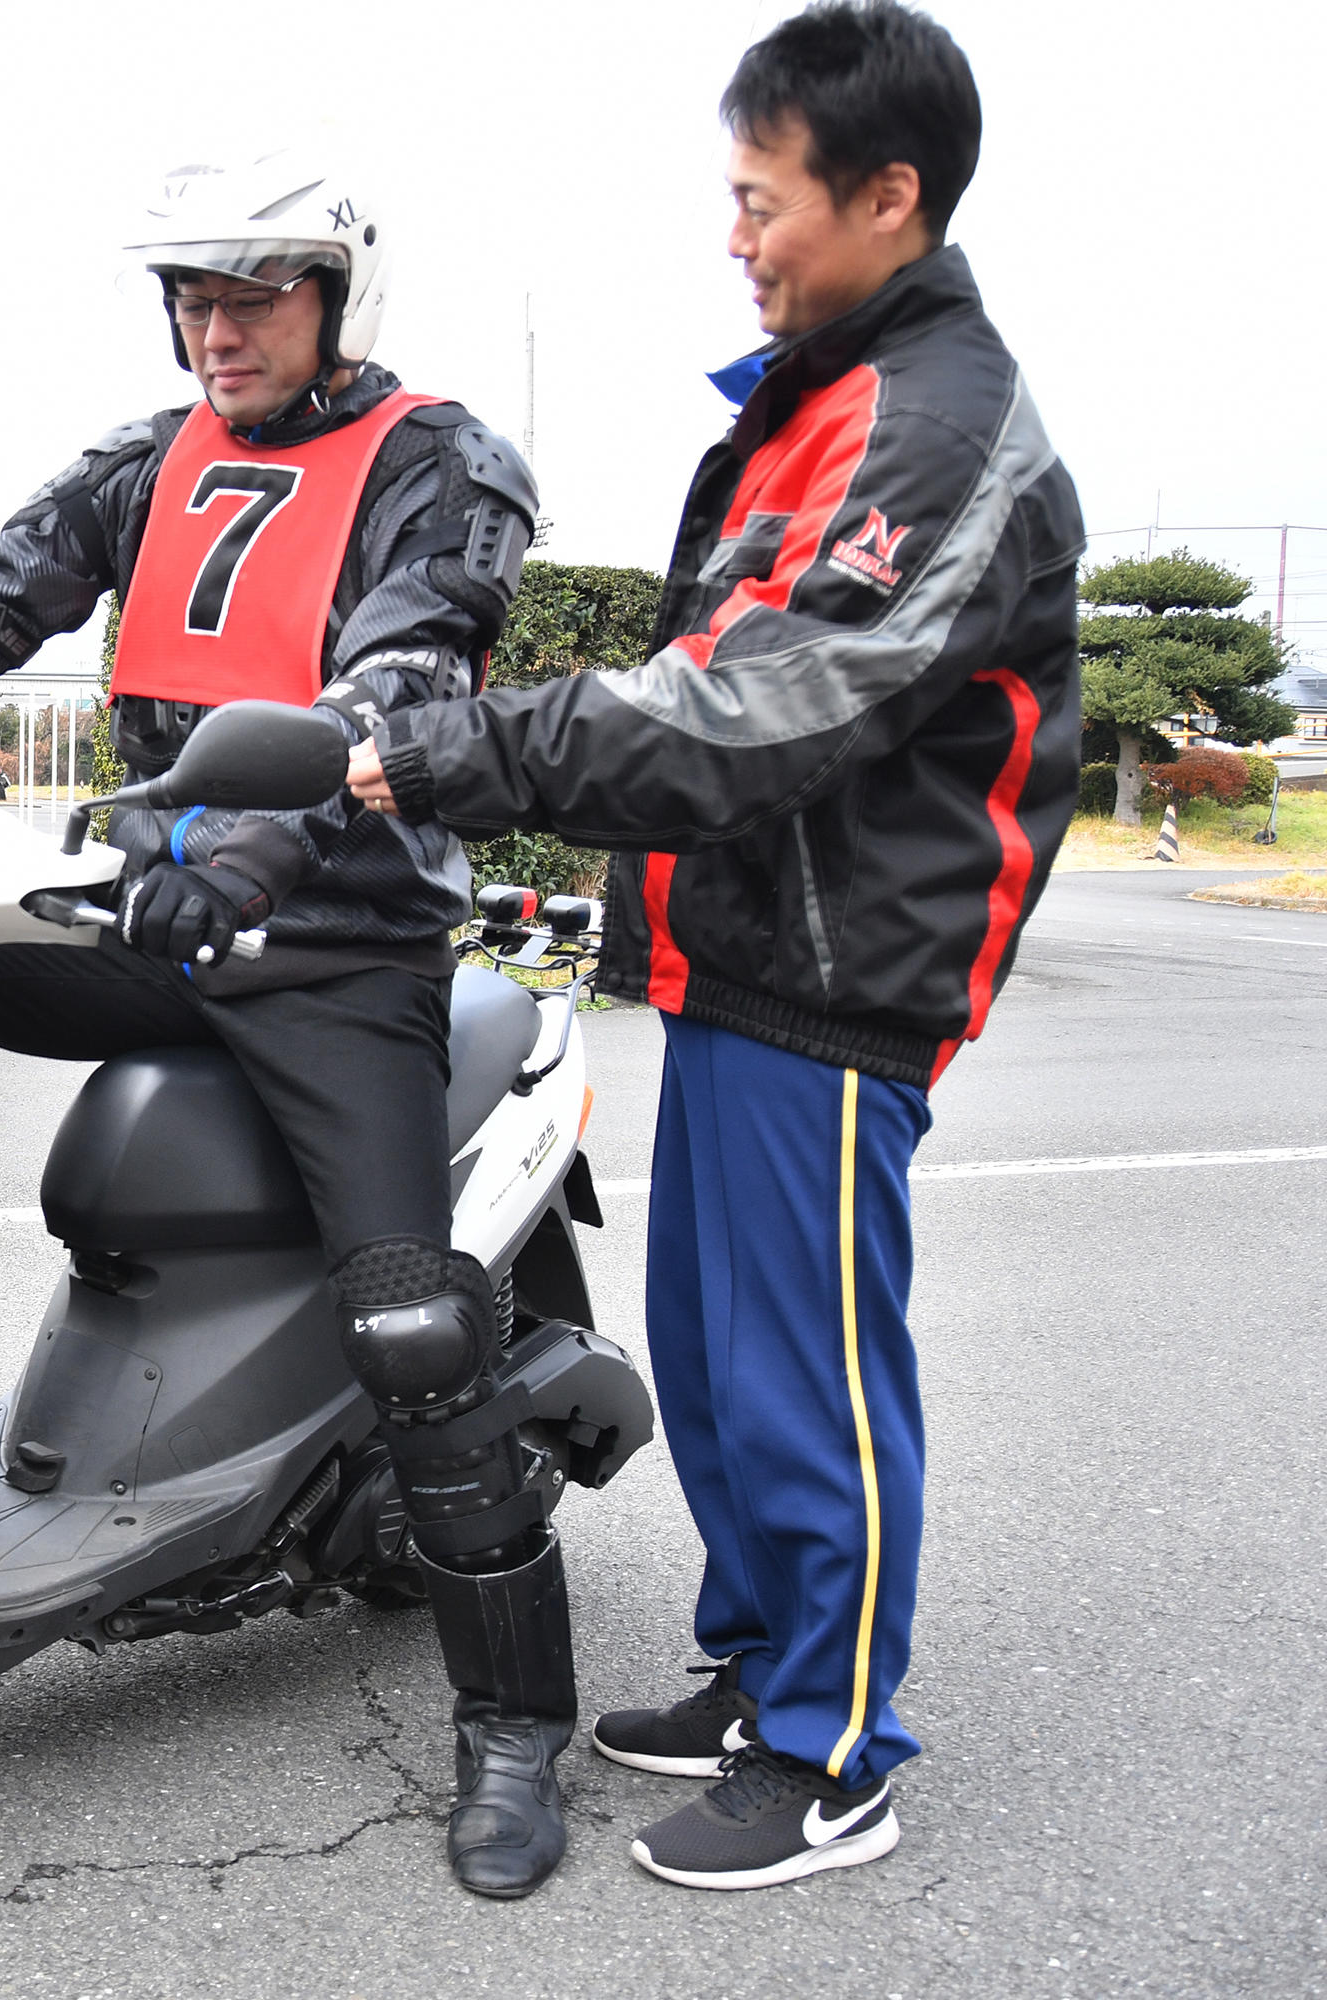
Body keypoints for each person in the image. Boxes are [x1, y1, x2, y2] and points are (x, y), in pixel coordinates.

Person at [0, 154, 577, 1898]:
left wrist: (246, 847)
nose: (215, 327)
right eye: (193, 295)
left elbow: (406, 669)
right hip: (153, 909)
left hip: (338, 939)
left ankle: (517, 1724)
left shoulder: (442, 466)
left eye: (253, 294)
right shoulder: (144, 458)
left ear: (339, 296)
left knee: (406, 1324)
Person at [350, 0, 1081, 1891]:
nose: (737, 235)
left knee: (811, 1374)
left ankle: (837, 1753)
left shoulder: (940, 431)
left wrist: (460, 751)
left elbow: (760, 705)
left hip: (843, 985)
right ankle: (763, 1671)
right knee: (724, 1349)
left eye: (763, 200)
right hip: (740, 962)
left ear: (889, 196)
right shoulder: (820, 402)